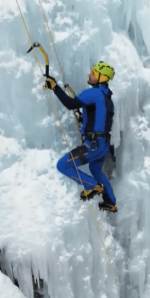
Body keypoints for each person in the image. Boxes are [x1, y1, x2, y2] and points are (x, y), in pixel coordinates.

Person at [44, 61, 117, 213]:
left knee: (62, 165)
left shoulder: (94, 93)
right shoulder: (107, 98)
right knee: (96, 170)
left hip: (93, 146)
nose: (89, 75)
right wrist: (84, 121)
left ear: (101, 77)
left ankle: (91, 185)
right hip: (102, 146)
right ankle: (110, 202)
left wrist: (55, 87)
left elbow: (71, 104)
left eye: (93, 73)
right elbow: (99, 118)